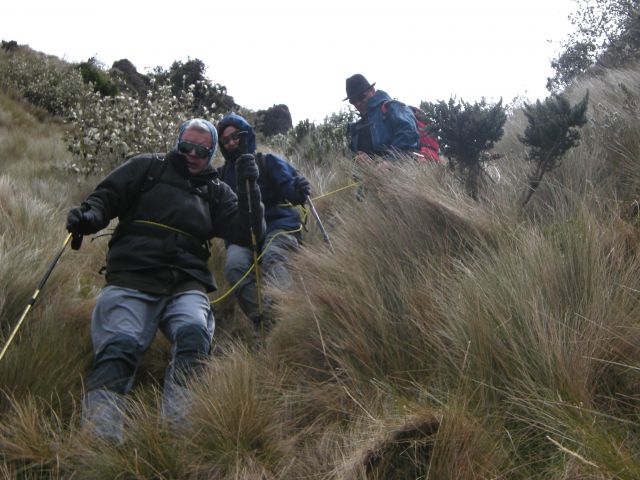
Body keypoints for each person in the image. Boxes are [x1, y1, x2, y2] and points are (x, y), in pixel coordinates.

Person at [65, 118, 264, 443]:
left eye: (202, 150)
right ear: (177, 142)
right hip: (133, 275)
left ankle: (180, 438)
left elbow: (250, 234)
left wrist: (249, 186)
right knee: (119, 348)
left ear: (211, 152)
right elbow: (106, 198)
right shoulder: (147, 167)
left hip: (186, 283)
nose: (192, 154)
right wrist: (87, 217)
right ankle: (99, 444)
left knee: (194, 340)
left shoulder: (217, 191)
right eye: (186, 146)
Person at [216, 113, 310, 336]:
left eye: (234, 136)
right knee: (234, 266)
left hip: (278, 224)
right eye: (225, 140)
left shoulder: (267, 162)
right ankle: (264, 322)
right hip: (242, 233)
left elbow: (291, 189)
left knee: (275, 255)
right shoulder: (220, 176)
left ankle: (281, 315)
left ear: (245, 134)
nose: (230, 143)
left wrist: (298, 190)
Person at [344, 73, 419, 161]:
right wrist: (359, 159)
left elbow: (408, 135)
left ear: (372, 90)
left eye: (361, 97)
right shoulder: (358, 128)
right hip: (375, 173)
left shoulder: (393, 108)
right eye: (353, 101)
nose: (358, 103)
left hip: (403, 171)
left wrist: (391, 162)